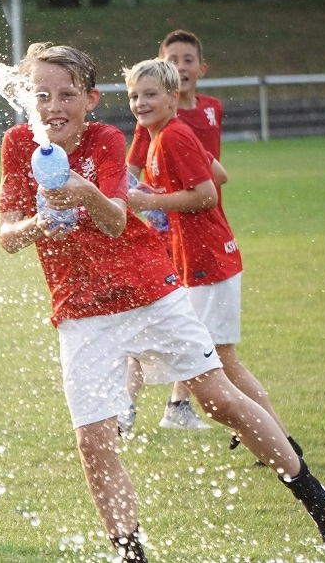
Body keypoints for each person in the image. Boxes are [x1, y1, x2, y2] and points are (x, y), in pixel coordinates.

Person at [0, 42, 325, 560]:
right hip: (80, 310)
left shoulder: (105, 138)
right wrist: (38, 223)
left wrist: (84, 193)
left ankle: (317, 498)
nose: (54, 106)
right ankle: (130, 553)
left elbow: (115, 220)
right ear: (28, 99)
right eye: (42, 95)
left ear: (91, 99)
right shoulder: (17, 144)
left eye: (67, 95)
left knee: (220, 402)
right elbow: (7, 236)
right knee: (93, 441)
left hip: (149, 293)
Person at [123, 29, 226, 432]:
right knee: (167, 325)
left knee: (195, 333)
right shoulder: (154, 127)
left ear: (201, 68)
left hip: (198, 231)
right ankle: (136, 406)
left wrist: (164, 196)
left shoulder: (198, 117)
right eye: (173, 59)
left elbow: (216, 178)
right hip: (171, 235)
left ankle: (172, 406)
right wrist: (150, 199)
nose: (181, 66)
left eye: (188, 60)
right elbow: (130, 178)